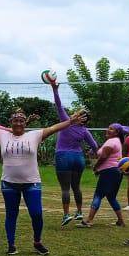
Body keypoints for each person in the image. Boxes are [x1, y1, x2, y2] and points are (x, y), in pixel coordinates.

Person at [0, 107, 85, 256]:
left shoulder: (35, 135)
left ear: (25, 123)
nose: (18, 123)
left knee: (37, 213)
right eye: (15, 120)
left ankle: (37, 241)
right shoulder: (1, 135)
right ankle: (11, 245)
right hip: (9, 184)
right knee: (11, 214)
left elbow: (53, 128)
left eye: (21, 121)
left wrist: (70, 121)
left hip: (31, 183)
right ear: (10, 122)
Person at [48, 80, 99, 225]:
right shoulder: (85, 131)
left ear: (78, 116)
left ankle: (66, 215)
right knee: (76, 187)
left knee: (65, 188)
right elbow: (95, 147)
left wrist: (55, 89)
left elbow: (58, 104)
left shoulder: (66, 121)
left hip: (63, 156)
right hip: (78, 158)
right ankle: (79, 212)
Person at [78, 124, 129, 228]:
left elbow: (104, 157)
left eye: (111, 129)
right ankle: (121, 221)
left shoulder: (111, 142)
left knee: (98, 195)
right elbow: (103, 154)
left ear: (117, 132)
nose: (108, 129)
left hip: (109, 172)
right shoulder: (116, 141)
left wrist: (96, 167)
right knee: (111, 197)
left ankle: (89, 220)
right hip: (116, 172)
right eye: (108, 127)